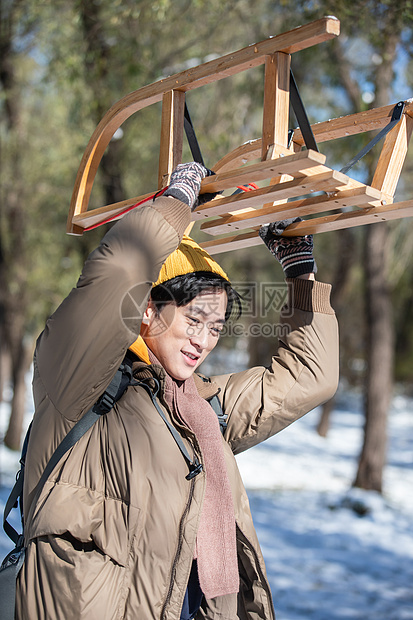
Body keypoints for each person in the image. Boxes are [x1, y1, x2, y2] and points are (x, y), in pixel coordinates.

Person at [16, 162, 339, 619]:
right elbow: (116, 275)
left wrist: (299, 270)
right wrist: (175, 204)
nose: (203, 342)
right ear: (146, 311)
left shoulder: (204, 408)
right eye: (193, 320)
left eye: (215, 328)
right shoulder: (76, 382)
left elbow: (312, 377)